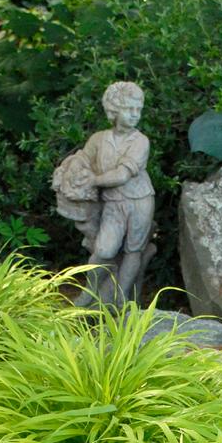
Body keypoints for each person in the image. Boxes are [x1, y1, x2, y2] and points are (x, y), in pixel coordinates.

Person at [53, 81, 155, 306]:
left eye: (138, 110)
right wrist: (72, 168)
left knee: (133, 250)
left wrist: (94, 180)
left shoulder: (140, 141)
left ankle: (121, 297)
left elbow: (121, 175)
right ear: (114, 111)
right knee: (104, 249)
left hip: (139, 201)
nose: (135, 115)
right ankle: (89, 293)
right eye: (129, 110)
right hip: (112, 202)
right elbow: (83, 157)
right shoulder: (99, 139)